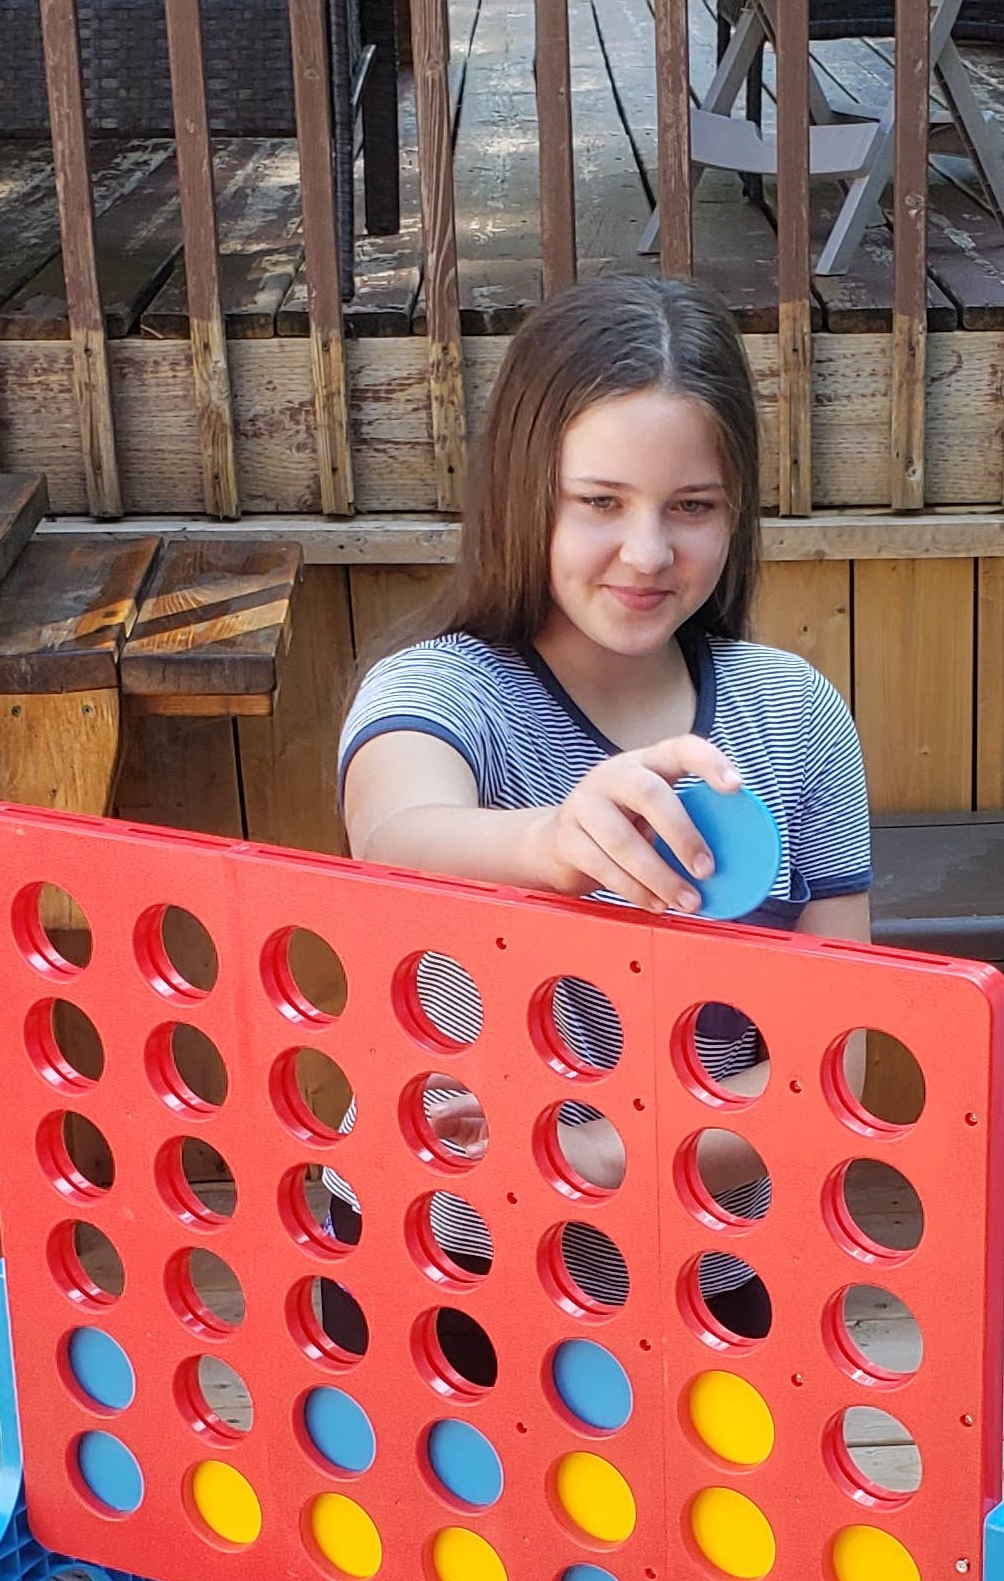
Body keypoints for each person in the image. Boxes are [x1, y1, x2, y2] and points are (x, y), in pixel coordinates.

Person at [337, 275, 873, 1333]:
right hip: (436, 1265)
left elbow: (832, 1064)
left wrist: (595, 1152)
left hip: (703, 1266)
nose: (649, 552)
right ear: (523, 493)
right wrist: (551, 841)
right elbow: (394, 836)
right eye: (599, 502)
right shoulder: (441, 693)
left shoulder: (796, 713)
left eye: (693, 507)